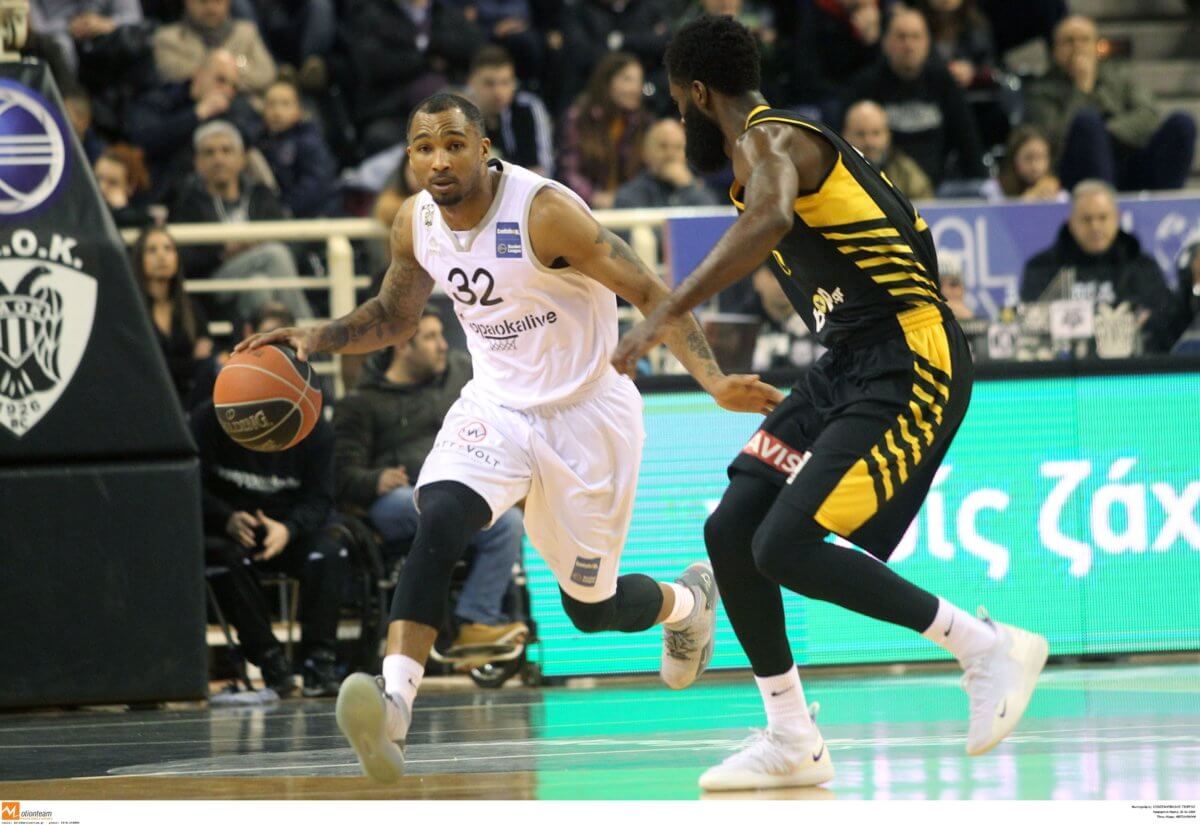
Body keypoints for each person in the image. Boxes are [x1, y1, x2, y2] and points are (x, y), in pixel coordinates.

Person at [237, 91, 781, 783]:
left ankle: (689, 604)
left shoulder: (544, 213)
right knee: (439, 516)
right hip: (495, 406)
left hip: (587, 415)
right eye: (424, 146)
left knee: (592, 610)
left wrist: (713, 381)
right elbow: (395, 313)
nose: (439, 159)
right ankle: (393, 707)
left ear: (485, 148)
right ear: (409, 157)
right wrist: (318, 334)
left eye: (454, 143)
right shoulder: (415, 222)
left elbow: (651, 291)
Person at [613, 16, 1049, 791]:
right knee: (733, 526)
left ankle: (984, 645)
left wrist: (666, 310)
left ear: (698, 92)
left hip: (909, 357)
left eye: (679, 103)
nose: (681, 118)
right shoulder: (774, 149)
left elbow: (772, 217)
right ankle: (791, 736)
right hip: (848, 358)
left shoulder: (766, 141)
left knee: (783, 544)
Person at [333, 307, 529, 650]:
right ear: (402, 347)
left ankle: (476, 621)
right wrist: (374, 479)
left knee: (509, 521)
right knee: (435, 507)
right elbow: (340, 475)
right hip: (396, 500)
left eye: (441, 335)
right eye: (430, 337)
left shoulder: (462, 375)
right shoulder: (362, 402)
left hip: (457, 486)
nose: (442, 346)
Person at [195, 320, 347, 698]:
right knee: (220, 556)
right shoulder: (207, 419)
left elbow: (320, 500)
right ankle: (270, 660)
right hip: (231, 526)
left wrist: (289, 529)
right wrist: (224, 516)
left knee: (331, 548)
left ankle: (319, 660)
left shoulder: (316, 428)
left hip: (287, 526)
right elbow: (185, 486)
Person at [1025, 14, 1196, 192]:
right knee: (1088, 122)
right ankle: (1102, 208)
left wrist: (1106, 132)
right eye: (1069, 41)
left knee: (1182, 123)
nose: (1077, 47)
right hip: (1078, 173)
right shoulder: (1041, 91)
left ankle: (1168, 205)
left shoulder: (1119, 77)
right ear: (1055, 50)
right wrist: (1081, 90)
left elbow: (1149, 117)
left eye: (1084, 40)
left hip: (1129, 160)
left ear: (1096, 46)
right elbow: (1053, 142)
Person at [170, 120, 314, 321]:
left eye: (226, 151)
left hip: (259, 280)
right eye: (209, 153)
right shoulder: (189, 202)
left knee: (258, 285)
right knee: (274, 254)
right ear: (198, 163)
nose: (218, 159)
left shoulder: (261, 195)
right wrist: (221, 251)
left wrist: (256, 244)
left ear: (242, 159)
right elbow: (184, 258)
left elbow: (293, 242)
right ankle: (309, 338)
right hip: (217, 283)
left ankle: (273, 351)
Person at [1019, 180, 1177, 353]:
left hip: (1133, 373)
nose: (1095, 226)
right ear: (1071, 223)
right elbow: (1032, 329)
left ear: (1116, 218)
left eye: (1103, 218)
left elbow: (1165, 323)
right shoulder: (1042, 268)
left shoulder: (1142, 267)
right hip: (1063, 373)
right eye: (1087, 220)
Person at [844, 6, 987, 188]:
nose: (909, 45)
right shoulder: (865, 85)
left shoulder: (943, 81)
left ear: (927, 43)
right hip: (881, 188)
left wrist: (982, 185)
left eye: (915, 37)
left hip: (937, 189)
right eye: (901, 37)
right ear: (886, 42)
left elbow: (968, 140)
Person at [126, 49, 263, 202]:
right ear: (199, 74)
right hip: (164, 195)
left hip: (215, 198)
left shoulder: (233, 109)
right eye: (221, 80)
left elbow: (252, 137)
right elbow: (143, 140)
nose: (227, 91)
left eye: (233, 86)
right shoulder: (163, 99)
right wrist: (197, 114)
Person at [557, 52, 654, 208]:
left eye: (639, 81)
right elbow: (568, 170)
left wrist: (626, 198)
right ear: (606, 82)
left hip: (631, 208)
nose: (636, 89)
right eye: (627, 80)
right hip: (584, 209)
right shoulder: (578, 118)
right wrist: (594, 198)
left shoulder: (645, 123)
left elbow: (649, 173)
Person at [132, 226, 213, 404]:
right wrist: (191, 363)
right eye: (152, 250)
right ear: (140, 260)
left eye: (168, 249)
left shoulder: (192, 309)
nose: (162, 256)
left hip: (190, 401)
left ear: (176, 257)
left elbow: (205, 363)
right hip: (145, 399)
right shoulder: (131, 311)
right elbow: (141, 366)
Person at [466, 45, 555, 177]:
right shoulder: (460, 115)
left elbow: (542, 169)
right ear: (471, 83)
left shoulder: (528, 108)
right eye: (489, 83)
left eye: (505, 82)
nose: (498, 92)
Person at [154, 0, 277, 94]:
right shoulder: (168, 38)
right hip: (190, 110)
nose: (211, 8)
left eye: (217, 0)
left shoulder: (247, 32)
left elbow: (266, 75)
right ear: (188, 2)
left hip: (245, 110)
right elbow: (173, 74)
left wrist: (213, 73)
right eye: (203, 1)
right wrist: (234, 67)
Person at [257, 79, 340, 218]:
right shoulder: (260, 141)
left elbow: (317, 182)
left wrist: (286, 207)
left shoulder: (309, 142)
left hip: (314, 216)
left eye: (285, 104)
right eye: (271, 104)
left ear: (299, 110)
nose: (277, 112)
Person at [613, 118, 721, 209]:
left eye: (678, 147)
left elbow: (712, 222)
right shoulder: (629, 196)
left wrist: (687, 185)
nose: (670, 154)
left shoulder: (699, 191)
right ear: (645, 152)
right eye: (663, 146)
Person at [841, 100, 933, 201]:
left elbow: (925, 208)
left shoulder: (905, 172)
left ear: (888, 136)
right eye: (860, 134)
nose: (869, 142)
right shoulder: (833, 171)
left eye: (876, 133)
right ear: (845, 135)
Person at [989, 125, 1063, 202]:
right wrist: (1027, 200)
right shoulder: (993, 190)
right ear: (1014, 158)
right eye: (1028, 158)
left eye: (1041, 157)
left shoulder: (1058, 193)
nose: (1035, 166)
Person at [94, 144, 157, 228]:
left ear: (131, 186)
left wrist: (121, 210)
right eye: (98, 179)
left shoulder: (141, 216)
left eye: (113, 182)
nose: (102, 187)